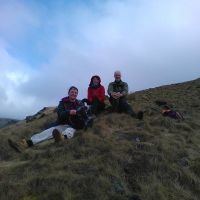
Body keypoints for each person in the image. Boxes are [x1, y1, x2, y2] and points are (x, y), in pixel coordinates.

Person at [8, 86, 92, 152]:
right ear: (69, 93)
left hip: (74, 125)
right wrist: (69, 112)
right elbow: (60, 114)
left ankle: (62, 138)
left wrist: (85, 111)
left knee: (70, 130)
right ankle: (25, 144)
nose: (74, 94)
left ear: (77, 94)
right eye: (72, 92)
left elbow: (85, 117)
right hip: (63, 124)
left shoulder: (79, 103)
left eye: (75, 92)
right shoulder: (62, 102)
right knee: (48, 132)